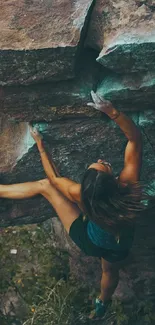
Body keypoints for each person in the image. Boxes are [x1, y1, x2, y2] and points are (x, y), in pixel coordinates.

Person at [0, 91, 143, 319]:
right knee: (109, 271)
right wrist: (112, 111)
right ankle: (101, 304)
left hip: (90, 240)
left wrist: (40, 145)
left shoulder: (80, 194)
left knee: (45, 186)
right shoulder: (127, 186)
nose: (99, 160)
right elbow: (134, 138)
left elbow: (54, 180)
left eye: (100, 164)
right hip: (117, 244)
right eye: (101, 165)